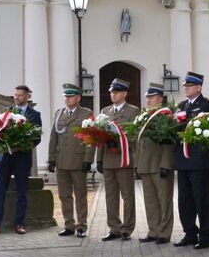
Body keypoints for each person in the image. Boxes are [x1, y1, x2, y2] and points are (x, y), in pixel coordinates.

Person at [0, 85, 43, 235]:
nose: (16, 97)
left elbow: (36, 138)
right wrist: (1, 144)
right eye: (15, 95)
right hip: (4, 158)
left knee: (21, 192)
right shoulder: (7, 112)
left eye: (20, 95)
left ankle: (19, 224)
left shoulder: (34, 115)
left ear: (28, 96)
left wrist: (20, 146)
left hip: (22, 159)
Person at [173, 72, 209, 249]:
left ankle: (206, 236)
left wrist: (181, 122)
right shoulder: (181, 105)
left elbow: (200, 125)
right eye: (185, 86)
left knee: (201, 199)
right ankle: (190, 233)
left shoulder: (206, 104)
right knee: (184, 200)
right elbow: (175, 128)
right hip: (182, 159)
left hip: (198, 159)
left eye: (189, 86)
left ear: (198, 87)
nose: (185, 88)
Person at [47, 83, 94, 238]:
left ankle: (81, 226)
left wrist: (88, 159)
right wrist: (51, 159)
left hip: (78, 160)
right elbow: (53, 137)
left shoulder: (86, 113)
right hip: (61, 161)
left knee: (80, 195)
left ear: (78, 98)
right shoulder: (59, 113)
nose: (67, 99)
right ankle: (69, 225)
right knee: (64, 195)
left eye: (70, 96)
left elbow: (91, 137)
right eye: (65, 96)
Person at [97, 78, 141, 241]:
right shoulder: (105, 110)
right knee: (110, 196)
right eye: (111, 92)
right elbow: (99, 135)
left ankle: (127, 228)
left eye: (116, 92)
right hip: (108, 158)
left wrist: (117, 141)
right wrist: (99, 159)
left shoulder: (133, 111)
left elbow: (134, 134)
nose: (113, 95)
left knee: (127, 196)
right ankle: (114, 228)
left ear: (124, 94)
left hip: (124, 158)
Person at [136, 83, 175, 244]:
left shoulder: (166, 115)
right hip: (146, 165)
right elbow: (139, 142)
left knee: (164, 201)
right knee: (150, 201)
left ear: (160, 98)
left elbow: (169, 142)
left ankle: (164, 232)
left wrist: (166, 164)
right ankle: (153, 230)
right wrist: (138, 165)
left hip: (160, 165)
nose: (148, 100)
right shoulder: (145, 116)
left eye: (151, 97)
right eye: (147, 97)